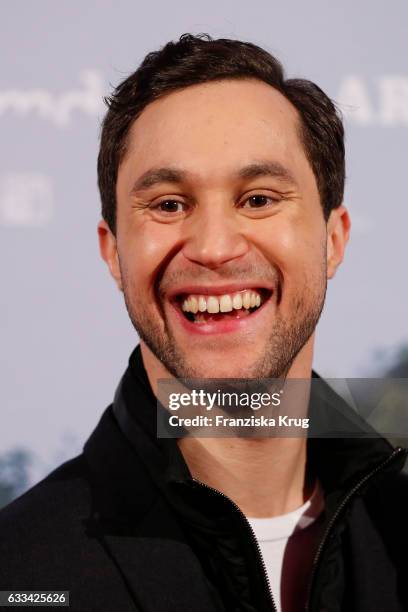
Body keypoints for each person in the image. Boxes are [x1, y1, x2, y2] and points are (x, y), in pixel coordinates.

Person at [0, 34, 407, 612]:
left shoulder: (397, 537)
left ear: (334, 239)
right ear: (113, 252)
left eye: (260, 199)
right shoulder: (21, 572)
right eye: (168, 204)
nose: (214, 247)